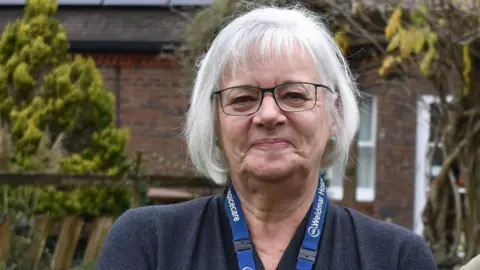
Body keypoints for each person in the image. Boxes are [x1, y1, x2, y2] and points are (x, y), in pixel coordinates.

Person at [96, 5, 437, 270]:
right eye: (243, 98)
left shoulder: (397, 258)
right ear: (214, 124)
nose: (269, 115)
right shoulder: (149, 245)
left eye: (294, 95)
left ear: (335, 116)